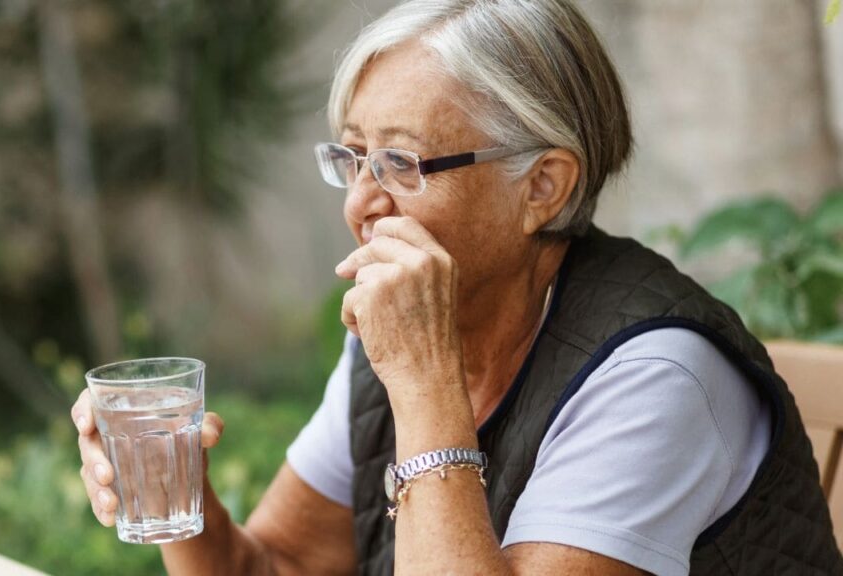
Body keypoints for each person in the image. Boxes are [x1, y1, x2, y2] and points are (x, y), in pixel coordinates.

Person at [72, 0, 843, 574]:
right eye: (353, 157)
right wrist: (179, 501)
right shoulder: (409, 331)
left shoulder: (656, 376)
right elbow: (277, 564)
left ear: (541, 187)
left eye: (401, 165)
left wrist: (422, 378)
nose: (360, 204)